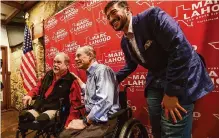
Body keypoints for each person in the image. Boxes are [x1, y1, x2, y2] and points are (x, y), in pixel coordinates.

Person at [104, 1, 214, 138]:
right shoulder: (124, 42)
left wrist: (172, 92)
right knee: (157, 129)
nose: (110, 19)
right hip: (156, 79)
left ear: (127, 9)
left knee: (172, 131)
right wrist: (110, 80)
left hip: (181, 74)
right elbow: (130, 65)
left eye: (113, 12)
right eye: (107, 17)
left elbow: (181, 50)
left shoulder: (152, 16)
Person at [59, 46, 120, 138]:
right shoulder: (91, 73)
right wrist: (79, 81)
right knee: (64, 135)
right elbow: (92, 93)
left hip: (105, 120)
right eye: (75, 56)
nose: (75, 59)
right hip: (93, 117)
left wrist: (85, 122)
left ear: (90, 56)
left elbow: (105, 101)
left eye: (79, 56)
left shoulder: (102, 70)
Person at [20, 52, 83, 127]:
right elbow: (37, 88)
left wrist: (70, 121)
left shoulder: (71, 80)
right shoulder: (48, 74)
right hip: (39, 106)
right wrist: (29, 95)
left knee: (42, 119)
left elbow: (75, 103)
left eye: (59, 62)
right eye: (54, 62)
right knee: (24, 116)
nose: (55, 64)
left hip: (54, 109)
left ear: (67, 65)